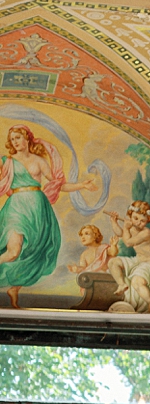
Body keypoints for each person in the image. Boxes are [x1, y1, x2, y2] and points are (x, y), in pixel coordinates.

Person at [0, 126, 94, 308]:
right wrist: (12, 191)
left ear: (28, 139)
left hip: (38, 209)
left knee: (36, 252)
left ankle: (15, 287)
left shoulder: (40, 161)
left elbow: (59, 185)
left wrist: (81, 185)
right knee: (13, 252)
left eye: (18, 138)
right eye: (12, 140)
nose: (15, 142)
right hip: (17, 208)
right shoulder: (7, 161)